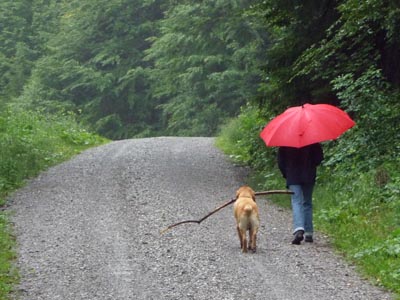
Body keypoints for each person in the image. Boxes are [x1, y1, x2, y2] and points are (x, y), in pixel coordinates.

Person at [277, 143, 323, 244]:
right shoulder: (313, 141)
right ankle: (309, 233)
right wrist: (310, 165)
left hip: (293, 176)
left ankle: (299, 229)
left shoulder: (286, 142)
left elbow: (281, 162)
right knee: (307, 203)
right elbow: (319, 158)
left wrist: (286, 174)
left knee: (296, 201)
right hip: (309, 175)